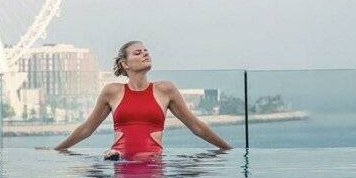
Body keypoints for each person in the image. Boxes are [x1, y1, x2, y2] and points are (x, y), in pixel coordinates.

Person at [52, 40, 232, 159]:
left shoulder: (165, 89)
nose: (145, 54)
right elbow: (87, 128)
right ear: (125, 63)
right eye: (138, 53)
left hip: (153, 163)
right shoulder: (112, 91)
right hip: (119, 159)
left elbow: (197, 126)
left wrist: (227, 148)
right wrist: (57, 149)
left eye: (146, 51)